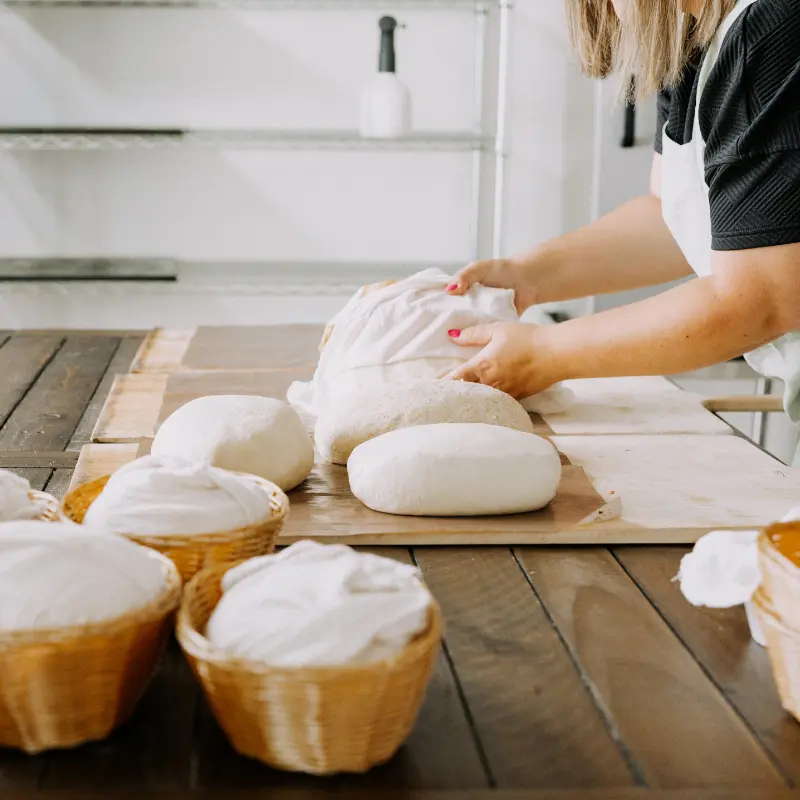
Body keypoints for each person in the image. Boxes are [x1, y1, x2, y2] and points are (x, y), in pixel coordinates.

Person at [444, 0, 800, 459]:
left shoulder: (775, 33)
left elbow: (762, 297)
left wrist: (546, 354)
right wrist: (524, 276)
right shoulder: (695, 41)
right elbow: (674, 217)